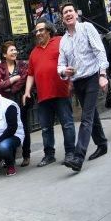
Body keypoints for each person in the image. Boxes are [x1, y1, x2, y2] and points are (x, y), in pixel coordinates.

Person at [57, 2, 109, 172]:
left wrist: (102, 74)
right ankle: (101, 144)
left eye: (70, 11)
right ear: (62, 18)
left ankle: (78, 157)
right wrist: (65, 71)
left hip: (93, 76)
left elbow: (99, 51)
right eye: (65, 12)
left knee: (86, 117)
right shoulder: (63, 41)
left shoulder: (87, 28)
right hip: (78, 81)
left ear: (76, 14)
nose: (68, 14)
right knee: (91, 113)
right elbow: (60, 66)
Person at [23, 18, 75, 167]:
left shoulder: (60, 41)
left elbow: (71, 59)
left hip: (61, 91)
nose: (38, 33)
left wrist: (72, 80)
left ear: (49, 31)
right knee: (45, 128)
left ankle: (70, 153)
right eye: (36, 31)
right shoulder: (34, 52)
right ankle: (49, 155)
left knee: (67, 124)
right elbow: (31, 74)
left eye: (41, 30)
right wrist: (27, 92)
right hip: (43, 95)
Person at [0, 41, 31, 166]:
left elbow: (23, 80)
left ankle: (26, 155)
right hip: (6, 102)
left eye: (15, 50)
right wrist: (13, 79)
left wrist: (9, 87)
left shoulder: (22, 65)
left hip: (21, 100)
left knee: (24, 127)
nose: (15, 52)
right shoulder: (0, 67)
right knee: (9, 128)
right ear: (4, 54)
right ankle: (11, 157)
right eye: (11, 50)